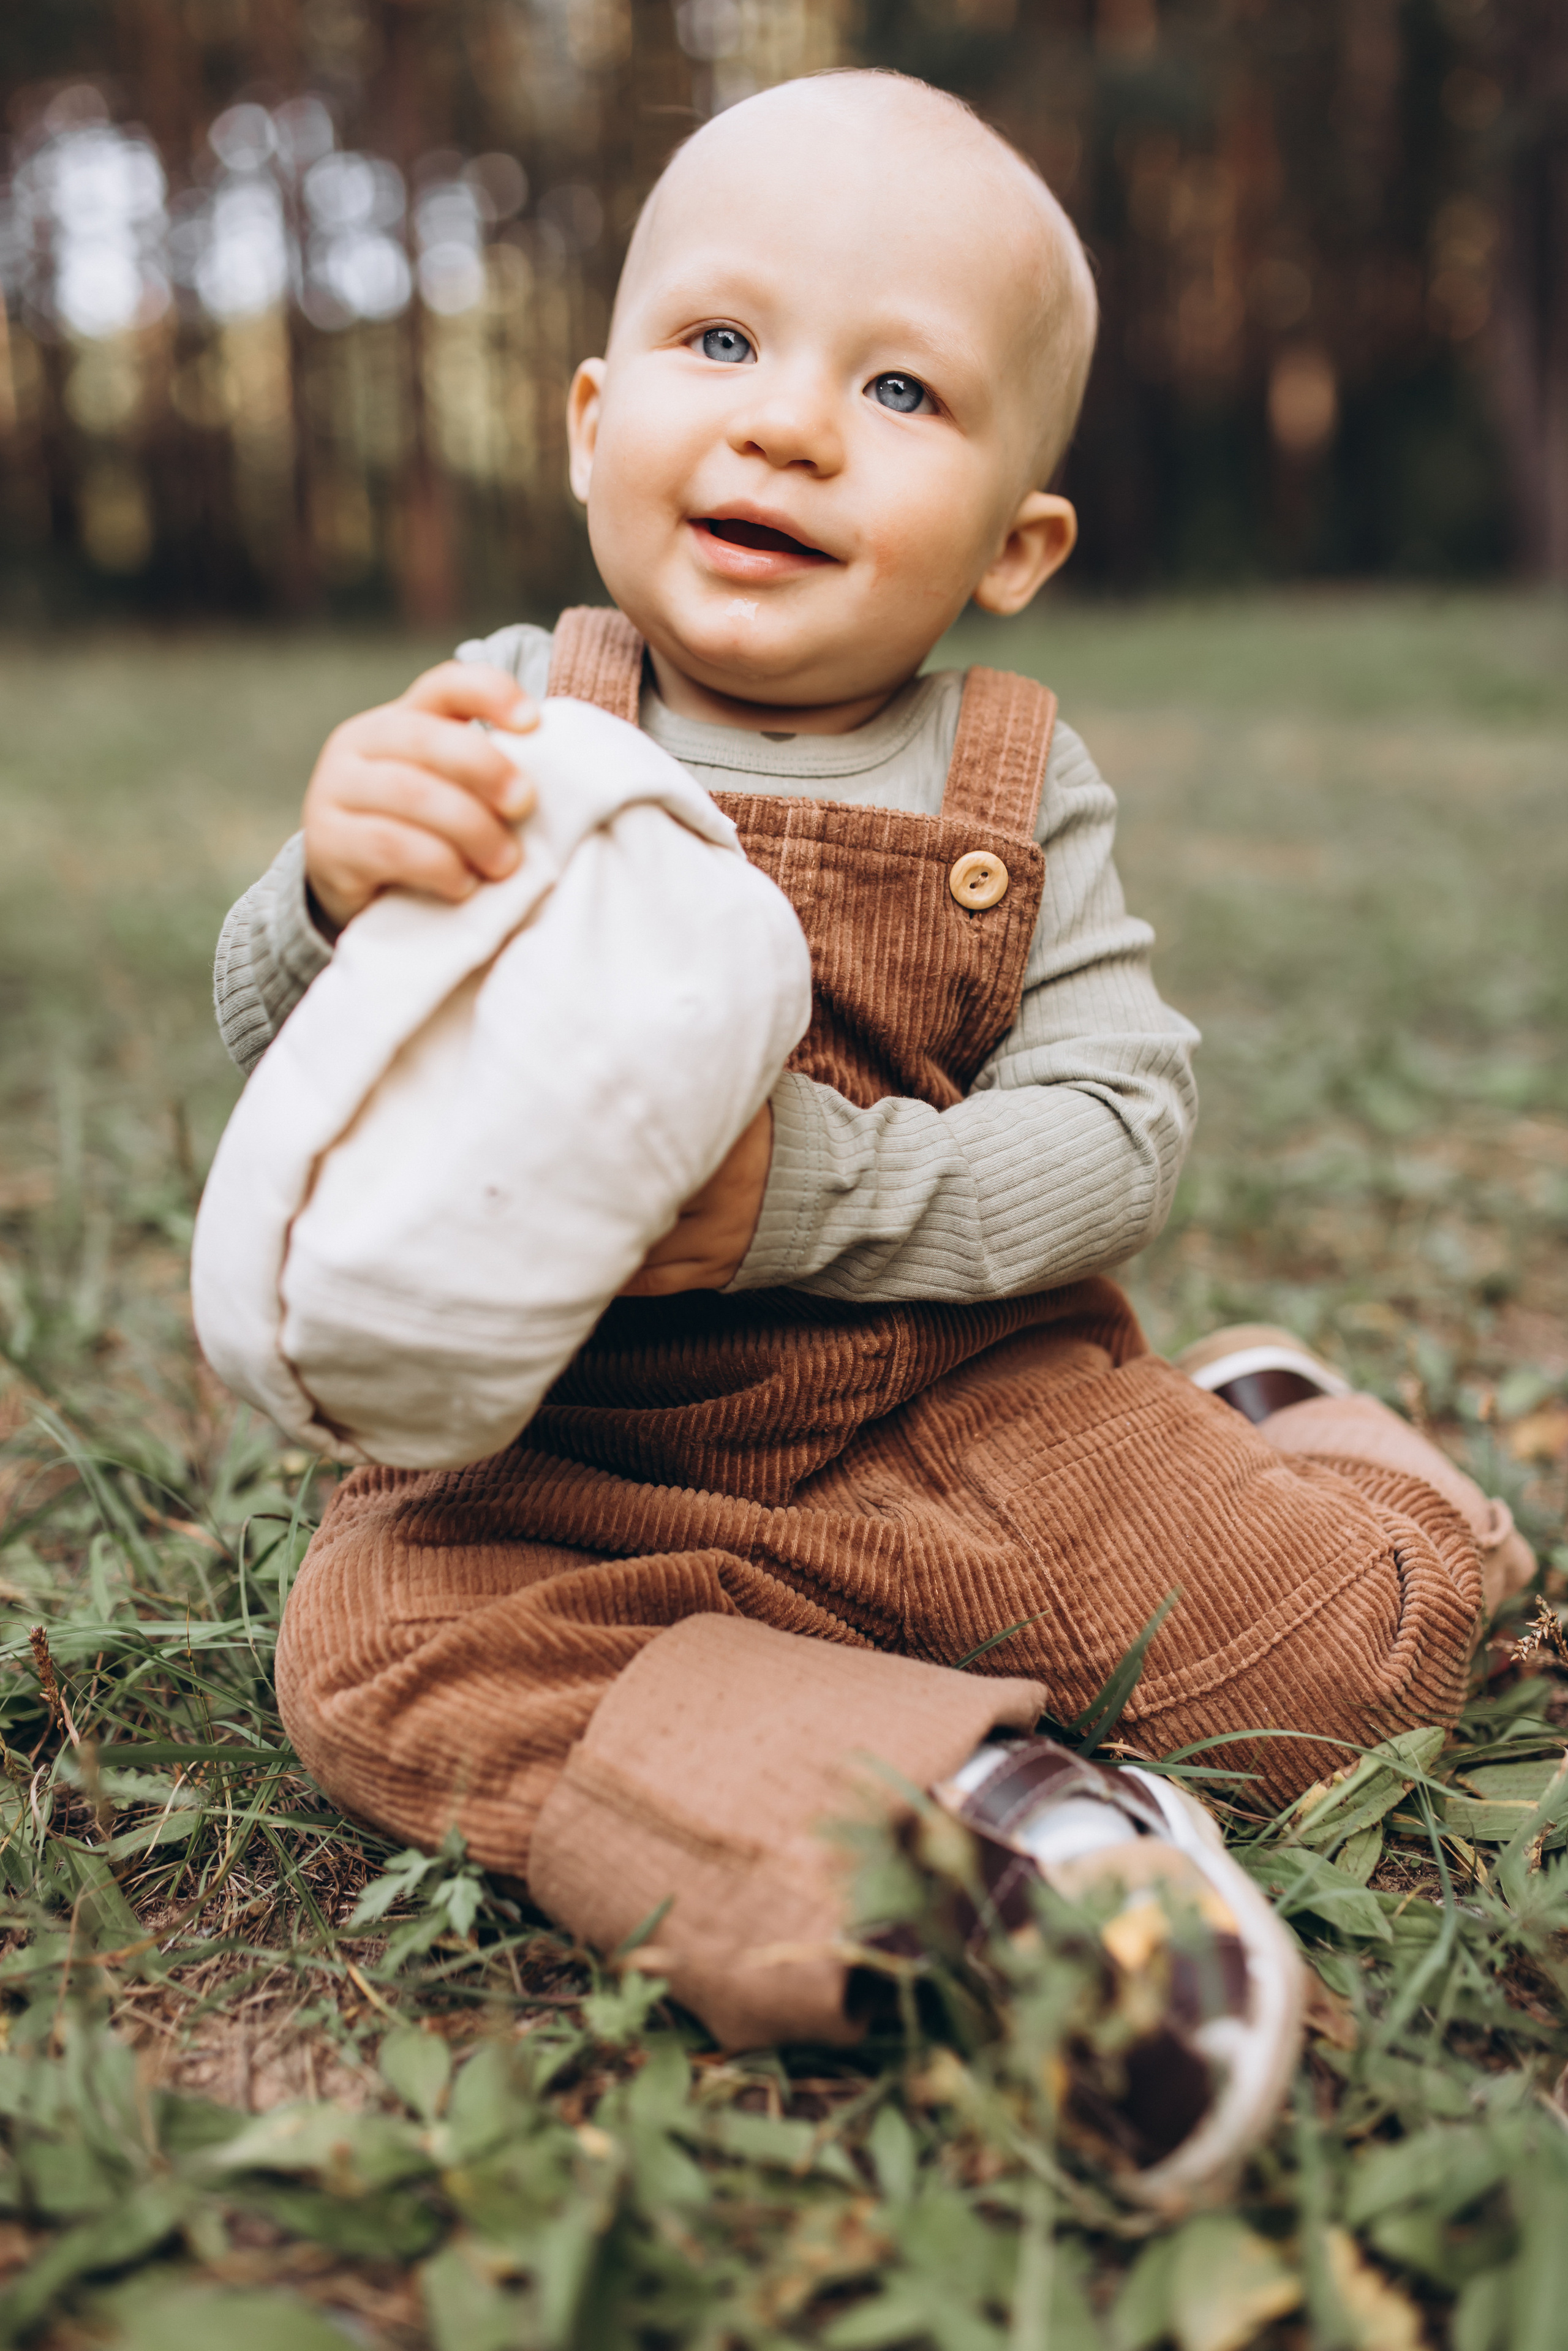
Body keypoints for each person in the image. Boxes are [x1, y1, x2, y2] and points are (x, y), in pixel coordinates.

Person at [211, 72, 1531, 2193]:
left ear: (1015, 544)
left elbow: (1118, 1132)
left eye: (900, 385)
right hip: (570, 1467)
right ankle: (1001, 1849)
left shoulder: (1014, 787)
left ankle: (1307, 1437)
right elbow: (296, 1059)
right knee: (367, 1656)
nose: (788, 423)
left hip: (961, 1417)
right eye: (720, 345)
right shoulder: (506, 718)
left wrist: (795, 1201)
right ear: (587, 419)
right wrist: (326, 890)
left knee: (1340, 1670)